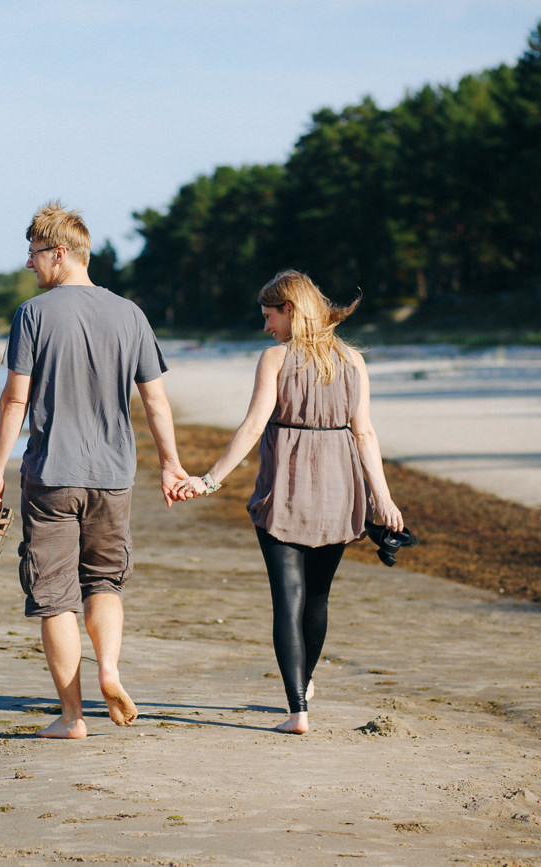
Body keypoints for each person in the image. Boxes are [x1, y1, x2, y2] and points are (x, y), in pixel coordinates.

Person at [0, 201, 187, 739]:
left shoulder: (33, 314)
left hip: (52, 474)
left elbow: (13, 402)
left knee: (54, 596)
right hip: (114, 474)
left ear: (59, 253)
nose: (29, 266)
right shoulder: (130, 314)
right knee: (105, 582)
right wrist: (171, 466)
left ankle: (72, 717)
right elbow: (157, 402)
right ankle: (111, 671)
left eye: (33, 255)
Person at [177, 270, 403, 735]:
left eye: (269, 316)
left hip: (284, 491)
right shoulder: (352, 361)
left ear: (291, 311)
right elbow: (365, 433)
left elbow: (254, 425)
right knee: (317, 598)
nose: (265, 328)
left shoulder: (275, 359)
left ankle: (297, 710)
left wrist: (210, 480)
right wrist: (382, 497)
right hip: (341, 490)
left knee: (289, 600)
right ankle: (306, 681)